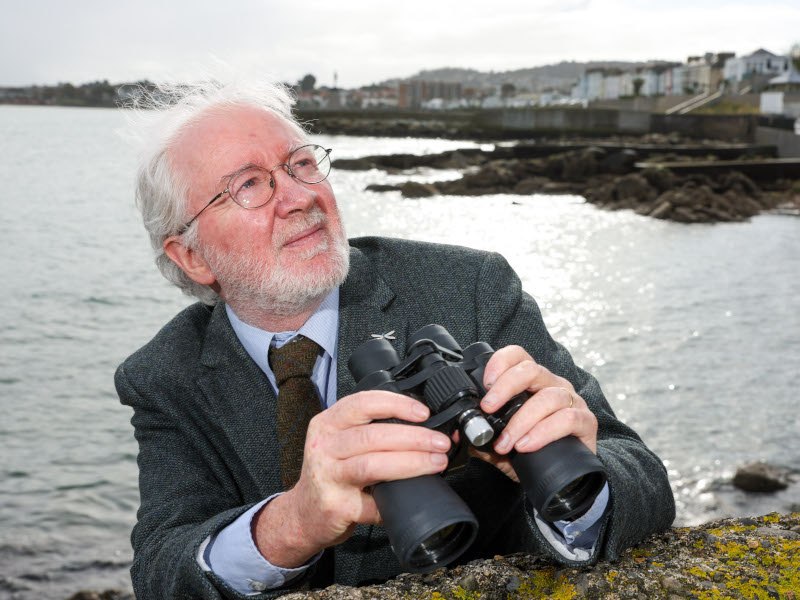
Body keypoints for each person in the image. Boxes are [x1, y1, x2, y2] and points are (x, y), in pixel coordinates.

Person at [116, 79, 675, 599]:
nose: (299, 196)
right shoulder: (164, 375)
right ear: (190, 256)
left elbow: (642, 475)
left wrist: (576, 482)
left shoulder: (467, 289)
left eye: (302, 165)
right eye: (250, 185)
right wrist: (293, 523)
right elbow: (163, 567)